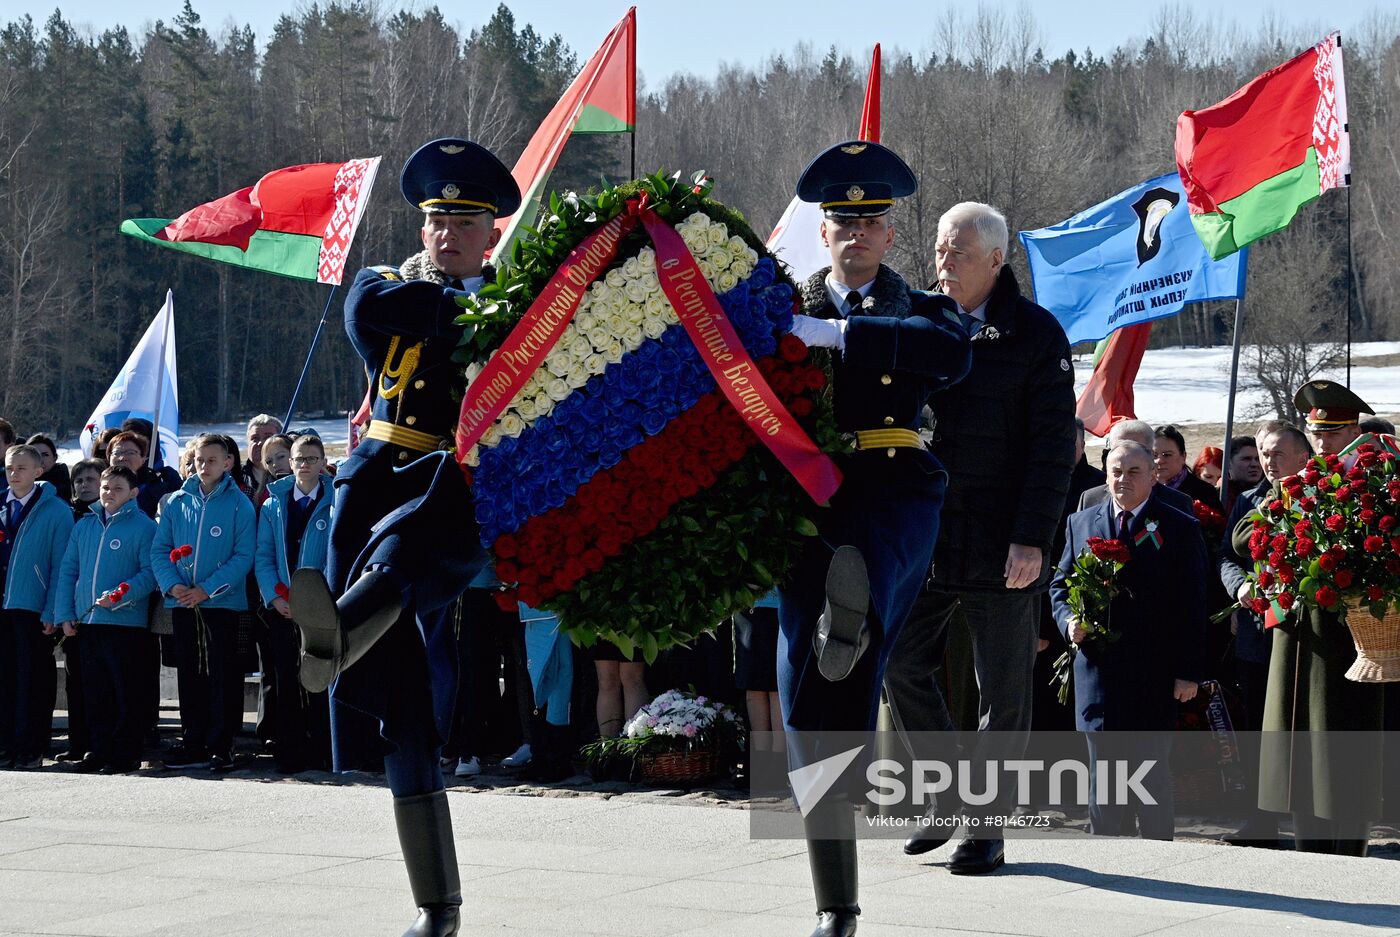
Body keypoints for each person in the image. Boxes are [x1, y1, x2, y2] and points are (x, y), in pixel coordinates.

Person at [290, 137, 521, 937]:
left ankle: (341, 626)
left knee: (409, 547)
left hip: (455, 486)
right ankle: (439, 906)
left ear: (492, 232)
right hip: (374, 474)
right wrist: (472, 309)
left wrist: (485, 308)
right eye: (434, 220)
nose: (446, 234)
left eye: (464, 221)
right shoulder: (383, 282)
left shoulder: (524, 305)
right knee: (405, 711)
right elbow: (370, 314)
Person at [778, 140, 971, 937]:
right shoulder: (783, 302)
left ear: (891, 234)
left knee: (872, 582)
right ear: (820, 233)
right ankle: (837, 907)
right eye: (840, 222)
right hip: (804, 497)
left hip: (893, 487)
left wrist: (840, 340)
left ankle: (846, 611)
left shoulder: (923, 306)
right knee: (803, 698)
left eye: (869, 220)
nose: (855, 233)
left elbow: (948, 354)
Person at [884, 201, 1076, 874]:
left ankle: (986, 829)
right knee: (898, 661)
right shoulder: (915, 321)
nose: (943, 263)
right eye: (939, 249)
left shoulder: (1036, 336)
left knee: (1002, 694)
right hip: (927, 535)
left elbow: (1054, 452)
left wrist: (1031, 538)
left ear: (995, 260)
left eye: (958, 252)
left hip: (1002, 542)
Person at [1234, 379, 1386, 855]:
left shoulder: (1375, 477)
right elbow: (1243, 540)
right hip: (1295, 636)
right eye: (1317, 435)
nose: (1323, 445)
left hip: (1352, 639)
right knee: (1296, 747)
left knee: (1342, 748)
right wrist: (1282, 503)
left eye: (1333, 434)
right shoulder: (1298, 486)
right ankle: (1309, 856)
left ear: (1353, 430)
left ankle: (1348, 854)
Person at [1051, 441, 1205, 839]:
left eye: (1134, 472)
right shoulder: (1080, 522)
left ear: (1153, 475)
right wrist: (1068, 621)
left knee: (1149, 779)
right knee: (1104, 783)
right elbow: (1060, 585)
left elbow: (1192, 603)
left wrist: (1188, 673)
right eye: (1116, 471)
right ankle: (1110, 864)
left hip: (1152, 676)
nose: (1123, 480)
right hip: (1097, 675)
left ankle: (1159, 870)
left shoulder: (1178, 525)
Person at [1217, 420, 1312, 847]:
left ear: (1302, 457)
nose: (1267, 463)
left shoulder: (1319, 497)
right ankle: (1263, 819)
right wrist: (1240, 586)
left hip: (1309, 635)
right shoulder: (1250, 502)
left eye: (1276, 454)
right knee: (1259, 728)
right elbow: (1226, 556)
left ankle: (1310, 817)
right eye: (1262, 453)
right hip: (1259, 634)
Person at [150, 433, 256, 772]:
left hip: (221, 604)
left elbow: (243, 556)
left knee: (222, 675)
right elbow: (159, 550)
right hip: (183, 602)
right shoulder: (178, 501)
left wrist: (207, 589)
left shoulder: (239, 503)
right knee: (191, 674)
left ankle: (221, 745)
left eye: (212, 460)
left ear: (227, 463)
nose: (204, 466)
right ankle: (192, 739)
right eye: (199, 460)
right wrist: (173, 585)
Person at [52, 466, 157, 773]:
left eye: (118, 488)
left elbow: (150, 573)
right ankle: (99, 750)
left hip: (125, 624)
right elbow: (68, 571)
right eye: (106, 487)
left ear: (133, 493)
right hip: (89, 622)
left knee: (125, 692)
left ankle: (125, 753)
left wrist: (122, 595)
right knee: (95, 692)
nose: (109, 493)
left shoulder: (144, 526)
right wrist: (65, 614)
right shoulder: (85, 525)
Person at [254, 434, 332, 773]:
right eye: (299, 458)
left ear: (322, 462)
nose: (303, 465)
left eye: (311, 459)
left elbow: (336, 554)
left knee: (318, 678)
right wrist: (274, 596)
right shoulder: (273, 503)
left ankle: (324, 748)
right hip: (282, 608)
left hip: (319, 610)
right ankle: (291, 749)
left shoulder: (335, 500)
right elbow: (264, 556)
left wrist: (317, 601)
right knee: (286, 678)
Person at [0, 444, 76, 768]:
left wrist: (52, 610)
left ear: (38, 471)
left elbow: (61, 565)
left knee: (31, 680)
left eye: (21, 468)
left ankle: (31, 747)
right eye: (8, 468)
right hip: (2, 606)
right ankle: (6, 744)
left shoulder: (56, 510)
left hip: (32, 607)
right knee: (4, 680)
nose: (14, 474)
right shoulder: (1, 506)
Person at [54, 458, 105, 763]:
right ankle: (77, 741)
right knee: (76, 682)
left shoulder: (108, 517)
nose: (85, 486)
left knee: (100, 683)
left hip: (103, 611)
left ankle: (99, 743)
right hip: (73, 612)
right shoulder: (69, 517)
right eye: (79, 481)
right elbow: (65, 570)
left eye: (91, 479)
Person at [1078, 421, 1195, 515]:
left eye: (1136, 449)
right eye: (1120, 448)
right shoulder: (1090, 499)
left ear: (1151, 453)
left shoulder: (1178, 503)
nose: (1127, 455)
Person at [1154, 425, 1221, 513]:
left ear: (1183, 456)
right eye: (1154, 455)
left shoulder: (1204, 492)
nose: (1159, 461)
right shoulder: (1143, 488)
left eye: (1167, 455)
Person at [243, 415, 283, 504]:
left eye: (268, 437)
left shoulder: (291, 477)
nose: (260, 443)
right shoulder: (235, 478)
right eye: (255, 438)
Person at [26, 434, 70, 502]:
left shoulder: (62, 487)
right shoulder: (17, 482)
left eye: (45, 455)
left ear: (55, 458)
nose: (40, 460)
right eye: (34, 455)